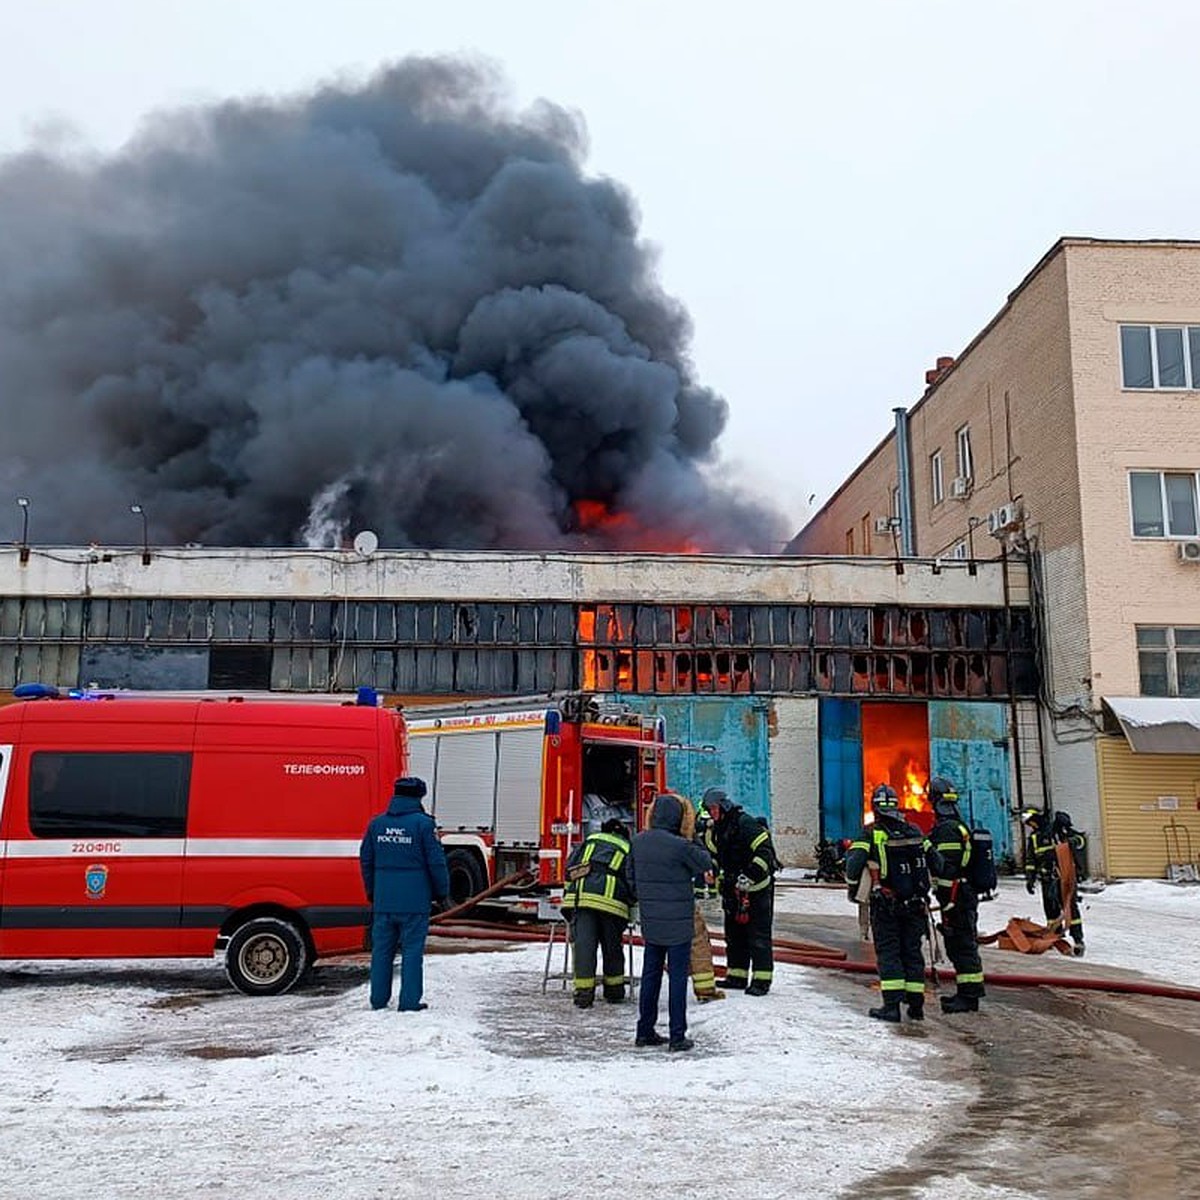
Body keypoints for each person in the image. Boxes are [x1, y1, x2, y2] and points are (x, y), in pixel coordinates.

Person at [628, 792, 713, 1052]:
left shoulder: (638, 842)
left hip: (651, 920)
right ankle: (677, 1035)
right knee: (677, 978)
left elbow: (630, 880)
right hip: (678, 922)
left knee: (650, 975)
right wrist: (692, 835)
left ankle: (644, 1031)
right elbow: (705, 862)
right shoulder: (681, 845)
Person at [359, 776, 450, 1012]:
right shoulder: (423, 825)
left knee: (381, 952)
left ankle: (378, 1000)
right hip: (414, 902)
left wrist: (372, 891)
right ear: (419, 797)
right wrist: (442, 893)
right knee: (411, 951)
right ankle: (409, 1002)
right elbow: (436, 863)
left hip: (384, 900)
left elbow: (366, 861)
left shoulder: (376, 824)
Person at [844, 784, 931, 1022]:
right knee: (912, 953)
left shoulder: (871, 833)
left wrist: (854, 887)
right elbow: (938, 862)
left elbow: (853, 866)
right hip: (915, 904)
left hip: (886, 904)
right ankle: (916, 1007)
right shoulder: (914, 831)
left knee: (889, 953)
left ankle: (891, 1007)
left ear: (875, 807)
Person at [702, 787, 779, 996]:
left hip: (756, 889)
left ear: (723, 805)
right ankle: (737, 976)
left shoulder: (745, 824)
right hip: (733, 889)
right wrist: (714, 873)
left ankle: (762, 981)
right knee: (734, 935)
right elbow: (718, 856)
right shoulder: (718, 829)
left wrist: (750, 875)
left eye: (713, 809)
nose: (711, 813)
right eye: (709, 810)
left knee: (758, 936)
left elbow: (765, 852)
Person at [926, 777, 985, 1014]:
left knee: (962, 945)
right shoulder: (956, 825)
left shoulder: (948, 830)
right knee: (961, 944)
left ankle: (969, 997)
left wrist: (948, 902)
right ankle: (965, 993)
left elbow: (947, 867)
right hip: (959, 895)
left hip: (956, 897)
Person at [561, 818, 634, 1008]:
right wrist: (632, 902)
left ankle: (584, 994)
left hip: (582, 900)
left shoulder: (590, 840)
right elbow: (631, 879)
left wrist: (568, 895)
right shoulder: (627, 848)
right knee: (612, 948)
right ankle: (614, 991)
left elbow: (569, 870)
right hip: (612, 905)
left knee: (584, 946)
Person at [1022, 807, 1085, 956]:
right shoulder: (1034, 838)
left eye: (1031, 822)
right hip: (1046, 878)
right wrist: (1030, 878)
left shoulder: (1057, 830)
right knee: (1050, 910)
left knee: (1070, 907)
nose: (1031, 826)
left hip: (1064, 876)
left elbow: (1081, 840)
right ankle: (1055, 937)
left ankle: (1078, 939)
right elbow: (1031, 859)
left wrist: (1072, 841)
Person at [678, 799, 724, 1002]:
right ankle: (705, 990)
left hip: (653, 905)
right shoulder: (685, 841)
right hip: (681, 900)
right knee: (698, 941)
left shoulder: (644, 841)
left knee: (655, 949)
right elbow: (704, 859)